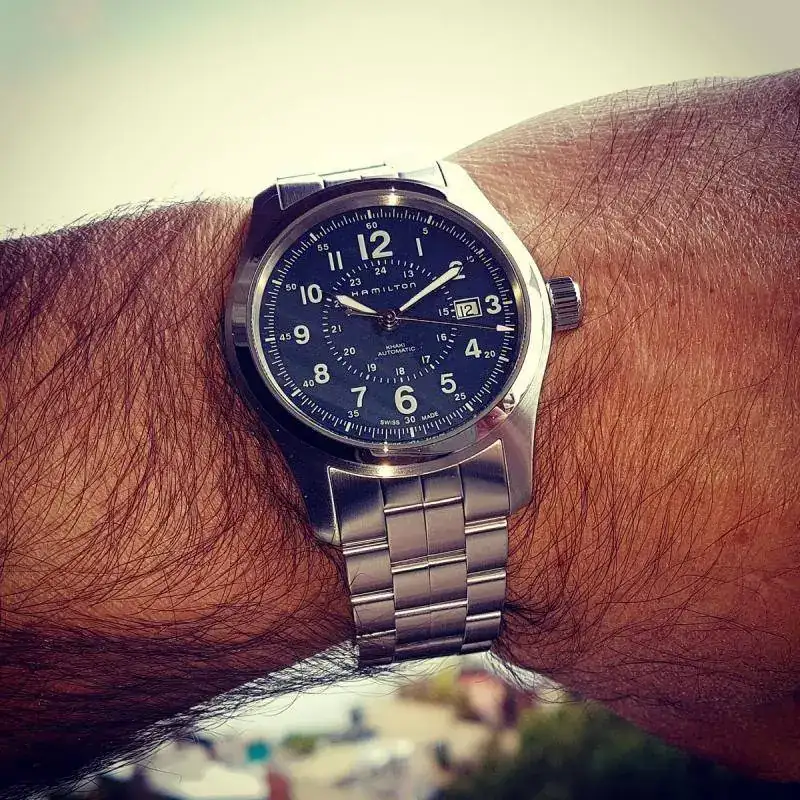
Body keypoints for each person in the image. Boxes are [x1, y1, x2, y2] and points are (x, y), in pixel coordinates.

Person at [1, 69, 798, 798]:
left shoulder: (498, 322)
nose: (387, 322)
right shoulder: (268, 360)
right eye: (369, 315)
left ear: (550, 303)